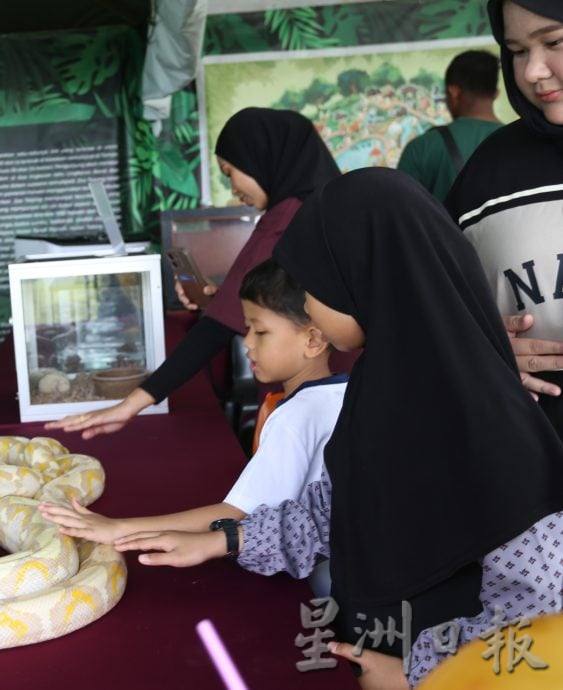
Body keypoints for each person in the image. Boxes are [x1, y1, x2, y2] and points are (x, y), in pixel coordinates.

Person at [112, 169, 563, 689]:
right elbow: (346, 505)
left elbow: (541, 609)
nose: (305, 306)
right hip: (373, 647)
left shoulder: (490, 422)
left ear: (369, 275)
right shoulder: (383, 387)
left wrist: (417, 674)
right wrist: (227, 540)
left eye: (315, 286)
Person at [39, 258, 346, 596]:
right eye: (246, 329)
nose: (246, 343)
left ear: (314, 340)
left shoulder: (295, 416)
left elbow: (240, 513)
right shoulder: (346, 394)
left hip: (316, 582)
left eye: (260, 331)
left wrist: (120, 528)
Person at [46, 107, 346, 440]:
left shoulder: (286, 216)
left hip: (314, 394)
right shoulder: (327, 207)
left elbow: (215, 330)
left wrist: (133, 403)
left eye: (230, 171)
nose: (232, 188)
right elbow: (289, 299)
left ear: (261, 157)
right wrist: (219, 298)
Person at [444, 0, 563, 437]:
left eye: (554, 41)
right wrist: (481, 350)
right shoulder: (488, 176)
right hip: (537, 466)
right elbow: (433, 314)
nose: (533, 71)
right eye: (516, 51)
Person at [397, 50, 502, 200]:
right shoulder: (520, 143)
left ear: (453, 92)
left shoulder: (421, 147)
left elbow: (401, 211)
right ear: (496, 94)